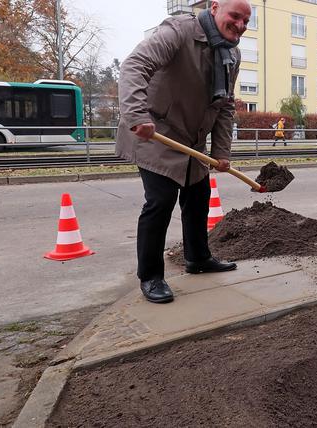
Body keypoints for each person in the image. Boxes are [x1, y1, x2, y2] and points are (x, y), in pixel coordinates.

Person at [116, 0, 251, 304]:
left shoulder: (232, 53)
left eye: (246, 20)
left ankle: (198, 258)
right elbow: (134, 66)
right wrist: (137, 115)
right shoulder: (178, 31)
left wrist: (221, 151)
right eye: (235, 16)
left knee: (198, 195)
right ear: (215, 8)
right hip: (156, 134)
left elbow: (225, 104)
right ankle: (150, 276)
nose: (241, 25)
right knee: (161, 200)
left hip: (191, 141)